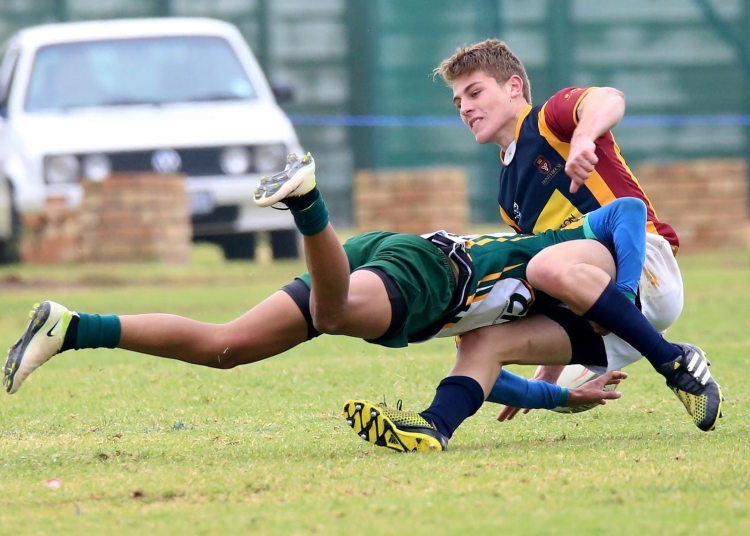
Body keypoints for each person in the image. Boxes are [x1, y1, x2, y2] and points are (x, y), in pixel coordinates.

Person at [4, 153, 633, 419]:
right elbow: (626, 212)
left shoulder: (542, 308)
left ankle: (71, 327)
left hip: (389, 260)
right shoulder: (563, 270)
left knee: (226, 348)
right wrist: (629, 308)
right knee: (332, 315)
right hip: (425, 270)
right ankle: (308, 203)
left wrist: (558, 400)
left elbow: (480, 361)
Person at [343, 38, 724, 453]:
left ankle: (674, 364)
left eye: (474, 93)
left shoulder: (549, 119)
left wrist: (583, 138)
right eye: (458, 103)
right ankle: (434, 426)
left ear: (513, 87)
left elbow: (609, 99)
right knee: (479, 341)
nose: (465, 108)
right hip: (607, 314)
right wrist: (549, 377)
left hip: (644, 270)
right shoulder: (508, 197)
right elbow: (555, 285)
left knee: (541, 266)